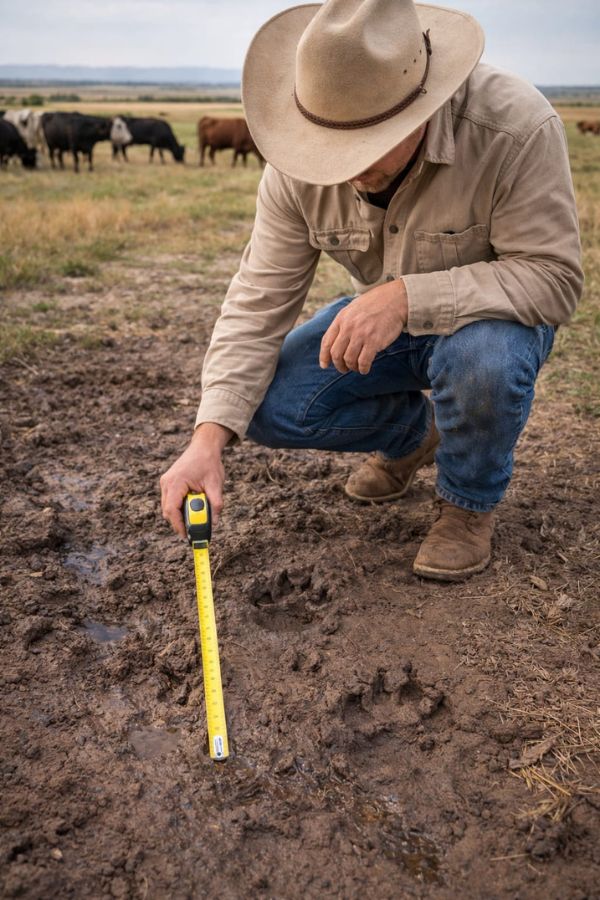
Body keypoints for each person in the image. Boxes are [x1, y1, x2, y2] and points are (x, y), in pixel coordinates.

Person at [161, 0, 583, 581]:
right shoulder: (296, 164)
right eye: (327, 145)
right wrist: (206, 439)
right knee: (264, 405)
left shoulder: (515, 130)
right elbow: (257, 299)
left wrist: (407, 296)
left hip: (493, 326)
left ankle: (467, 504)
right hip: (387, 325)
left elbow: (554, 280)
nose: (338, 168)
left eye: (363, 146)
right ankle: (418, 435)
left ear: (423, 111)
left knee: (482, 358)